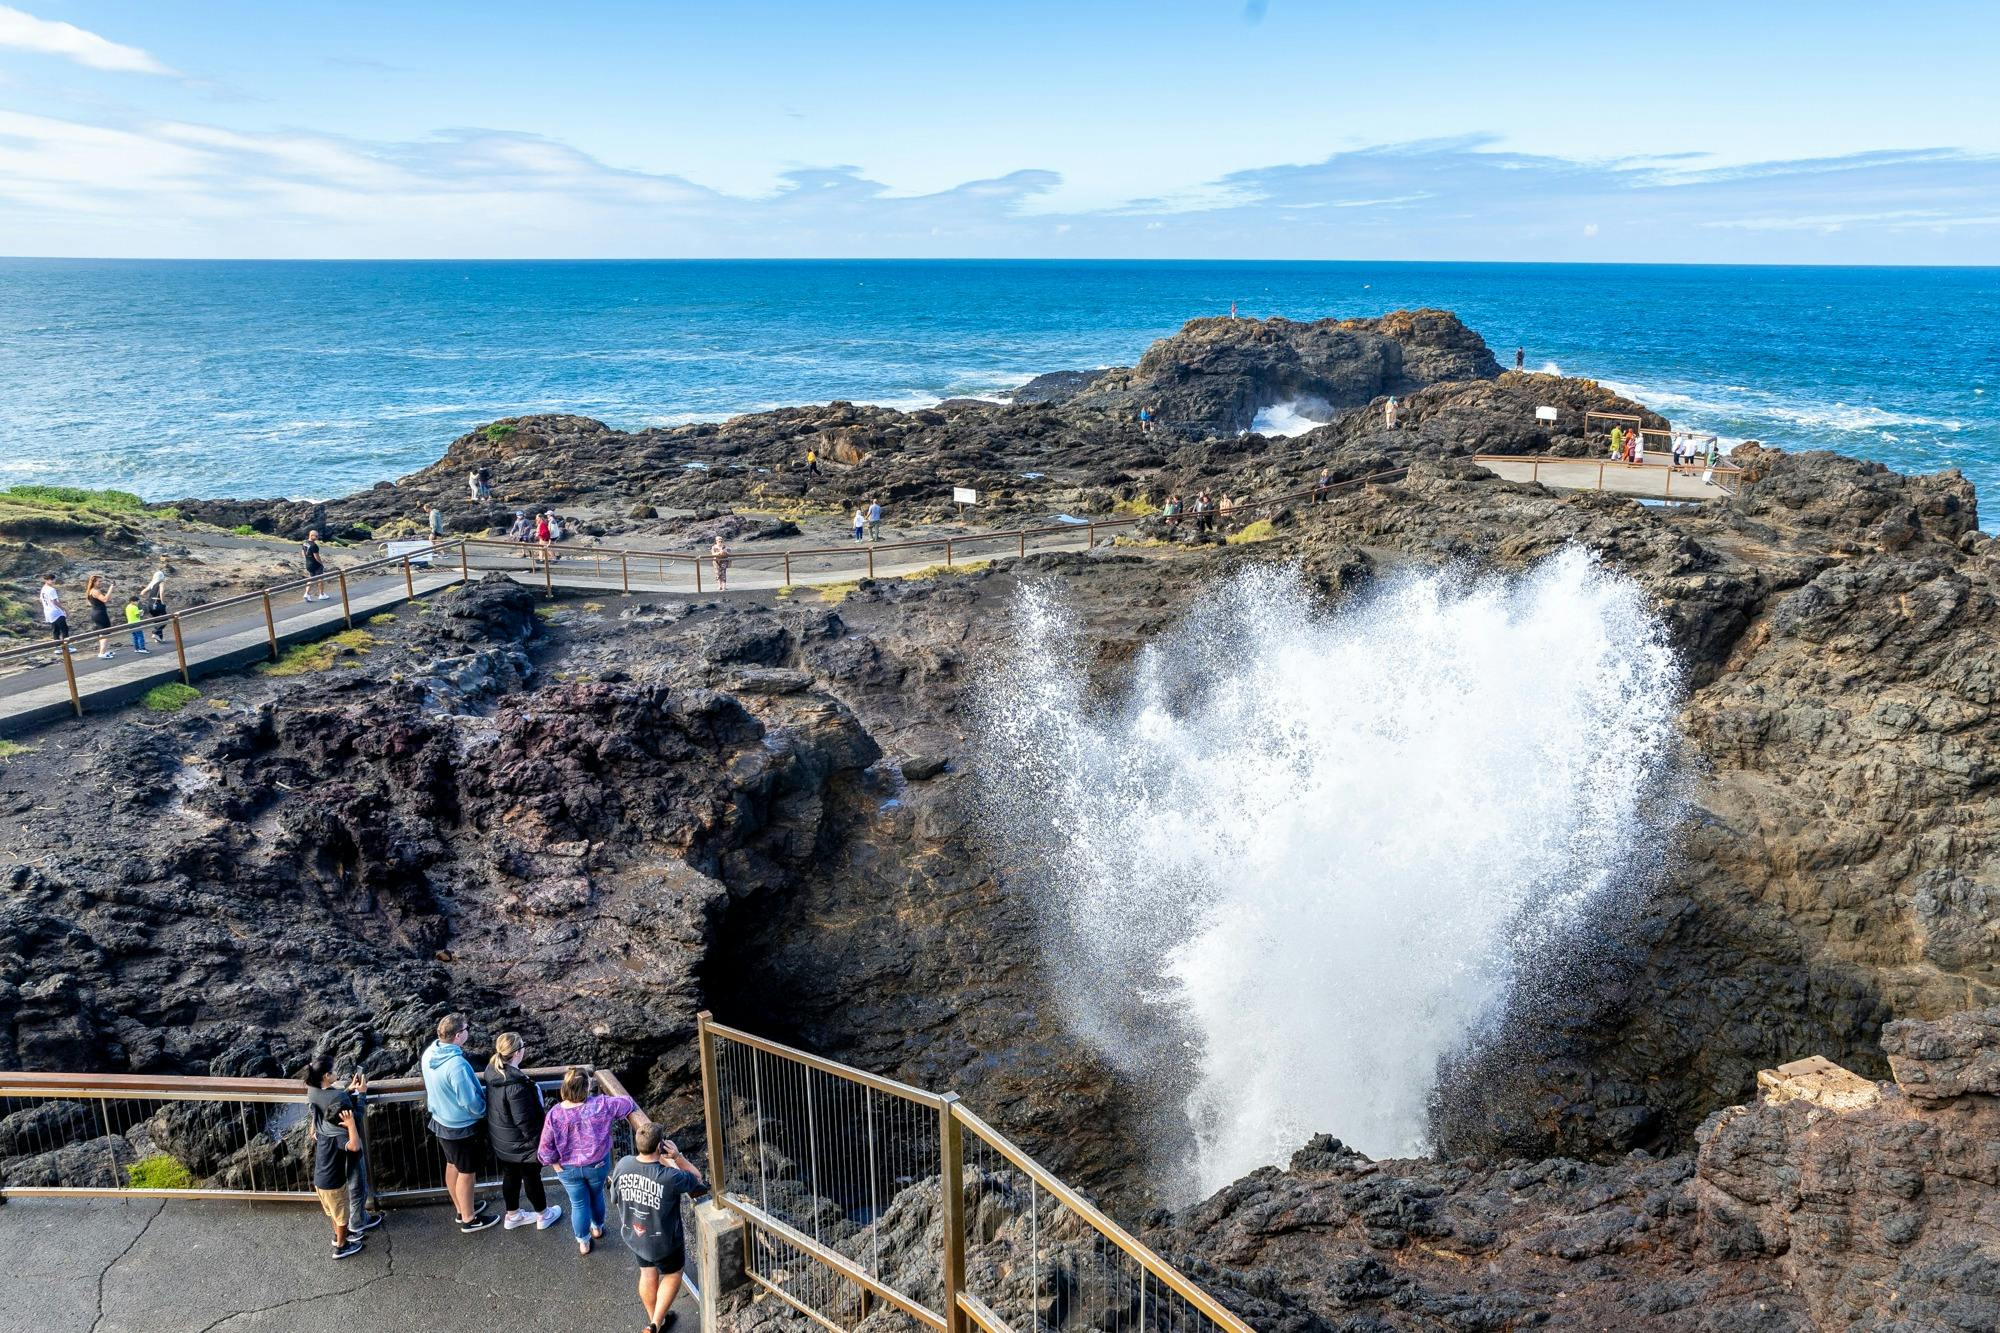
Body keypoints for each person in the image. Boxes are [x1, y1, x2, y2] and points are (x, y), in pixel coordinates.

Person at [611, 1123, 708, 1333]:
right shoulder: (671, 1177)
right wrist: (677, 1157)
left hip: (635, 1235)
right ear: (660, 1146)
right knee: (673, 1274)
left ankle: (655, 1323)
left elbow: (614, 1197)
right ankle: (655, 1322)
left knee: (647, 1273)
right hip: (664, 1241)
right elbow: (697, 1178)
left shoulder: (623, 1164)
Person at [537, 1066, 638, 1256]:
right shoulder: (600, 1105)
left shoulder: (555, 1114)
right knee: (597, 1195)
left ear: (565, 1087)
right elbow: (627, 1103)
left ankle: (583, 1242)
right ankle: (597, 1227)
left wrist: (555, 1164)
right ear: (587, 1087)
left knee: (578, 1203)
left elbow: (544, 1147)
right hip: (597, 1164)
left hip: (567, 1168)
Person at [422, 1013, 497, 1232]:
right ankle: (469, 1219)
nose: (468, 1032)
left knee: (452, 1164)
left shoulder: (430, 1053)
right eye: (466, 1029)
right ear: (457, 1036)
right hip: (460, 1127)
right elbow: (470, 1101)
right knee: (467, 1172)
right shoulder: (456, 1065)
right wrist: (484, 1111)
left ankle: (461, 1209)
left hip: (441, 1121)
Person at [486, 1033, 562, 1232]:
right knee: (531, 1177)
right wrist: (541, 1143)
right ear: (517, 1052)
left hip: (502, 1139)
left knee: (510, 1176)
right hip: (522, 1143)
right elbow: (525, 1122)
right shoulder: (516, 1085)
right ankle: (543, 1215)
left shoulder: (493, 1073)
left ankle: (512, 1215)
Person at [304, 1058, 384, 1237]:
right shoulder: (338, 1097)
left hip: (328, 1142)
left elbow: (331, 1108)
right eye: (333, 1071)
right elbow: (354, 1118)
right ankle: (357, 1222)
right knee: (357, 1182)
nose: (336, 1073)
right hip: (346, 1141)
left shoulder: (312, 1090)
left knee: (346, 1185)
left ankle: (352, 1224)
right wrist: (361, 1094)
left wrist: (349, 1090)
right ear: (326, 1076)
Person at [85, 573, 116, 659]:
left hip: (96, 613)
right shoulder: (95, 591)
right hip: (100, 614)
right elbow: (105, 599)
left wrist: (111, 590)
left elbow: (105, 599)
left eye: (101, 581)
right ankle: (102, 653)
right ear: (94, 582)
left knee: (102, 633)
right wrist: (111, 588)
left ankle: (103, 651)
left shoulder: (91, 590)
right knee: (105, 633)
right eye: (99, 581)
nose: (100, 583)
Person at [141, 561, 169, 643]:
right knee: (165, 619)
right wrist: (163, 602)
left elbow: (142, 592)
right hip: (157, 603)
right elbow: (161, 593)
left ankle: (159, 638)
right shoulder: (161, 582)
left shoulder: (152, 583)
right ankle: (155, 633)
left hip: (150, 604)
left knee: (158, 621)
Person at [40, 574, 69, 648]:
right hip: (56, 612)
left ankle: (57, 647)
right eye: (51, 579)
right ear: (46, 580)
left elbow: (42, 600)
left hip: (48, 612)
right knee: (64, 629)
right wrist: (64, 609)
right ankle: (66, 647)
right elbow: (54, 602)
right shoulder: (51, 589)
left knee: (56, 630)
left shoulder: (43, 589)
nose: (53, 581)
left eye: (53, 579)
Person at [301, 531, 328, 602]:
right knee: (320, 579)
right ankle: (321, 594)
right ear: (311, 535)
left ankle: (306, 594)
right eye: (316, 536)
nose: (317, 537)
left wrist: (308, 559)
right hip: (315, 564)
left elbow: (303, 553)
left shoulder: (304, 543)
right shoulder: (314, 545)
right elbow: (316, 557)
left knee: (311, 578)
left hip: (308, 563)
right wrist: (321, 564)